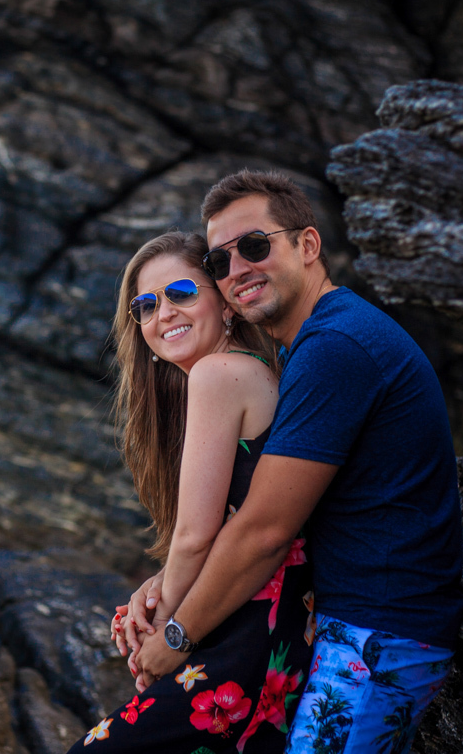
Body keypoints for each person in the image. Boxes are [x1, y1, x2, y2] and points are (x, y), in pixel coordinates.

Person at [130, 171, 463, 754]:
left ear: (308, 246)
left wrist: (177, 637)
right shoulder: (307, 346)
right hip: (347, 625)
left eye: (255, 246)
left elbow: (265, 529)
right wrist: (161, 587)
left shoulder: (337, 347)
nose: (237, 270)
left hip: (380, 635)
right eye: (219, 261)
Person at [67, 231, 314, 754]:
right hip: (266, 628)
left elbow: (196, 536)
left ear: (225, 306)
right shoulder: (247, 371)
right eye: (146, 305)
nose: (163, 314)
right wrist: (155, 587)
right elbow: (225, 522)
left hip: (246, 638)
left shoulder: (218, 374)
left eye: (181, 293)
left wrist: (163, 635)